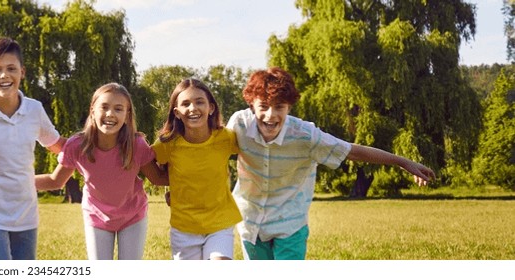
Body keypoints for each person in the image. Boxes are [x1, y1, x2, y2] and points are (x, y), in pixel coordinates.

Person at [228, 67, 436, 260]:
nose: (270, 115)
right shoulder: (239, 124)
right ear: (252, 104)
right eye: (263, 106)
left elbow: (352, 151)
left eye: (279, 107)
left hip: (289, 224)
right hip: (251, 221)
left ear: (289, 107)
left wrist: (402, 162)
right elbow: (214, 148)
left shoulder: (305, 136)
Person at [0, 37, 66, 260]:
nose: (4, 75)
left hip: (25, 213)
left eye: (11, 68)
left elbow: (57, 145)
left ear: (22, 72)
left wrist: (91, 145)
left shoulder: (34, 110)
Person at [35, 83, 167, 260]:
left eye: (118, 109)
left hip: (133, 217)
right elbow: (55, 181)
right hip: (96, 217)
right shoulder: (77, 146)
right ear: (93, 111)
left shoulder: (136, 146)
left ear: (127, 116)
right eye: (104, 107)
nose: (110, 114)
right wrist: (15, 180)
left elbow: (158, 178)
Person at [151, 79, 242, 260]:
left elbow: (254, 149)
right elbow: (149, 166)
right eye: (186, 104)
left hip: (219, 224)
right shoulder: (167, 144)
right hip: (184, 228)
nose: (193, 108)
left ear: (211, 108)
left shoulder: (226, 138)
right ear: (177, 113)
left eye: (199, 102)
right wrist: (174, 186)